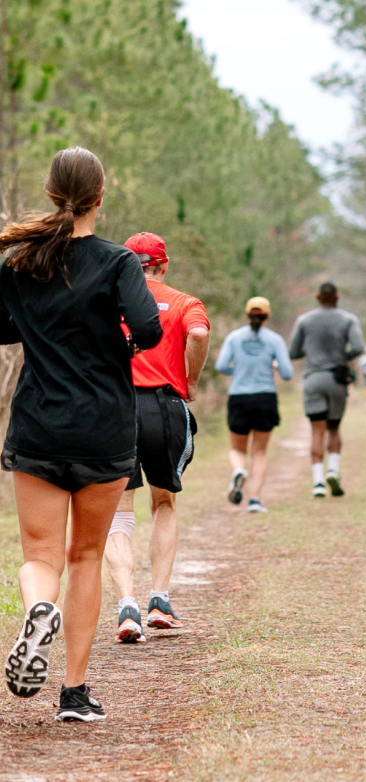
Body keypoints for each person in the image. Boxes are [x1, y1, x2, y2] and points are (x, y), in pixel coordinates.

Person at [0, 148, 162, 721]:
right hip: (104, 429)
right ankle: (73, 693)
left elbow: (1, 330)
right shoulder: (119, 263)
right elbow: (148, 328)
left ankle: (40, 608)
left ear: (51, 195)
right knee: (87, 555)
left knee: (40, 554)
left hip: (39, 426)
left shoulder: (19, 265)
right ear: (100, 196)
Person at [103, 232, 210, 644]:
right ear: (163, 265)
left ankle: (127, 607)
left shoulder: (109, 300)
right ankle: (159, 602)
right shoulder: (185, 302)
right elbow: (198, 336)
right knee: (163, 502)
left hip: (117, 407)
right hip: (165, 406)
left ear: (128, 265)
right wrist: (192, 382)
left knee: (118, 509)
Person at [215, 296, 293, 513]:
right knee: (259, 452)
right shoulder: (275, 340)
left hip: (239, 397)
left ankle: (239, 470)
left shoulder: (234, 337)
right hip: (265, 398)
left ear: (248, 315)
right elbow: (287, 373)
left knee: (237, 448)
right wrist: (272, 367)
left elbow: (221, 366)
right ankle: (255, 500)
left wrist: (238, 370)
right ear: (267, 317)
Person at [289, 282, 364, 498]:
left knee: (317, 430)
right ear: (337, 297)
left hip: (313, 378)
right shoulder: (349, 319)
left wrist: (312, 351)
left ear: (317, 297)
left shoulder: (304, 320)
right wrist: (343, 356)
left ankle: (318, 482)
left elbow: (293, 352)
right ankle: (333, 469)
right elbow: (358, 347)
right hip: (337, 379)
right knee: (333, 428)